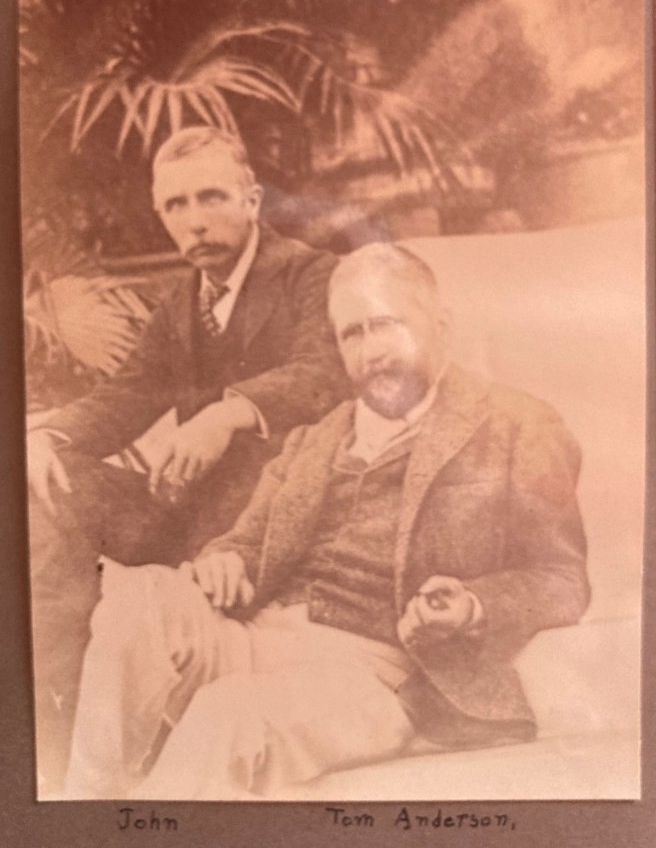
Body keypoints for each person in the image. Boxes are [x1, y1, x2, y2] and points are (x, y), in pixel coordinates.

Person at [64, 242, 590, 800]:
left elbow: (561, 579)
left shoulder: (516, 424)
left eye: (386, 325)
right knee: (139, 599)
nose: (370, 351)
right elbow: (244, 539)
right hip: (258, 636)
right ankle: (87, 812)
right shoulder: (317, 437)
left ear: (440, 325)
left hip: (376, 674)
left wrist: (473, 604)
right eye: (352, 334)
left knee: (228, 713)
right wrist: (225, 559)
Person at [27, 125, 347, 790]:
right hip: (184, 516)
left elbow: (326, 374)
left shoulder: (311, 274)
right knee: (46, 483)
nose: (194, 221)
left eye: (211, 197)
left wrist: (227, 413)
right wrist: (45, 438)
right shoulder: (181, 302)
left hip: (272, 523)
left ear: (251, 198)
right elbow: (127, 395)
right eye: (176, 205)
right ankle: (57, 716)